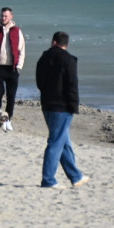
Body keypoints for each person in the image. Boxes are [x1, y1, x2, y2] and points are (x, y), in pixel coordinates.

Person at [36, 31, 89, 188]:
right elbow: (72, 85)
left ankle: (75, 176)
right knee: (56, 142)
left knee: (63, 141)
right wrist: (74, 106)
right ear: (66, 44)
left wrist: (47, 94)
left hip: (47, 104)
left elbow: (39, 81)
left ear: (53, 42)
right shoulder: (68, 60)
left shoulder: (43, 58)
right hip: (62, 107)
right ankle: (48, 180)